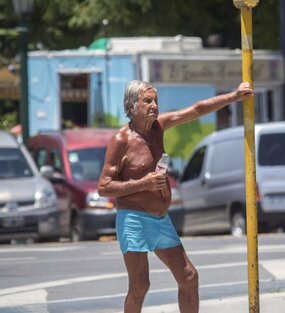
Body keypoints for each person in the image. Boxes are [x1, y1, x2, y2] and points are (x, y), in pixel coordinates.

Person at [98, 80, 254, 313]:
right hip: (133, 219)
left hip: (161, 219)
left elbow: (197, 109)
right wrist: (144, 183)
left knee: (189, 277)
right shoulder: (121, 140)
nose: (154, 106)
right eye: (147, 101)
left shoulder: (158, 127)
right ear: (131, 106)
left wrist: (234, 96)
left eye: (156, 101)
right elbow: (104, 187)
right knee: (140, 285)